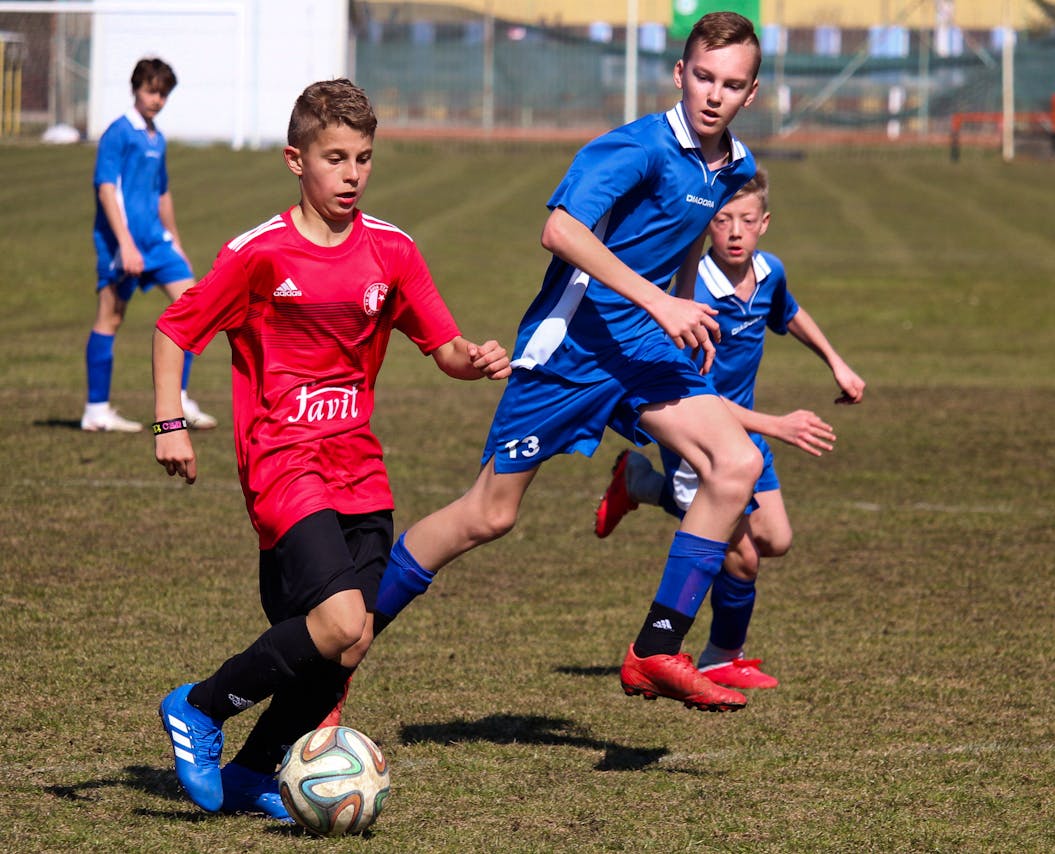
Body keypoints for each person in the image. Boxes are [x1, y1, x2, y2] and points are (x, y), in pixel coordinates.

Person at [367, 11, 764, 714]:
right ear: (679, 74)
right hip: (573, 348)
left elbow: (684, 238)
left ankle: (656, 649)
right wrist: (662, 302)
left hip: (641, 349)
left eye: (731, 85)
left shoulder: (737, 168)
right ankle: (337, 649)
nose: (713, 94)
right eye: (702, 76)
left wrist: (675, 306)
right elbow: (559, 229)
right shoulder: (637, 147)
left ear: (750, 95)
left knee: (736, 465)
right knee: (487, 515)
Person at [152, 79, 510, 820]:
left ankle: (252, 774)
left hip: (360, 469)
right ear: (296, 160)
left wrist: (470, 359)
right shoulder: (259, 254)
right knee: (343, 620)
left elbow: (440, 345)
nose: (351, 175)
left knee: (351, 644)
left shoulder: (393, 251)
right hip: (283, 459)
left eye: (364, 159)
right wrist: (169, 422)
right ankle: (199, 706)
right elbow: (174, 329)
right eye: (335, 158)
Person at [593, 168, 866, 691]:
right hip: (705, 435)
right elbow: (700, 396)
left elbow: (790, 312)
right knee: (740, 555)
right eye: (722, 221)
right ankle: (722, 657)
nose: (735, 232)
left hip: (750, 435)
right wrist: (776, 424)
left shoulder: (769, 273)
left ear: (765, 223)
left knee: (775, 540)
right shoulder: (695, 297)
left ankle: (641, 483)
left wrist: (836, 361)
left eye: (746, 220)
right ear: (706, 227)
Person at [83, 58, 217, 432]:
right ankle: (96, 410)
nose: (157, 99)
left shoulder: (157, 138)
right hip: (121, 243)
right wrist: (125, 244)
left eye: (163, 93)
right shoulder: (119, 133)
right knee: (111, 317)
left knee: (193, 307)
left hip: (157, 242)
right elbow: (106, 188)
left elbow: (162, 193)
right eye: (150, 91)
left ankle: (181, 399)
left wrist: (175, 240)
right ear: (136, 89)